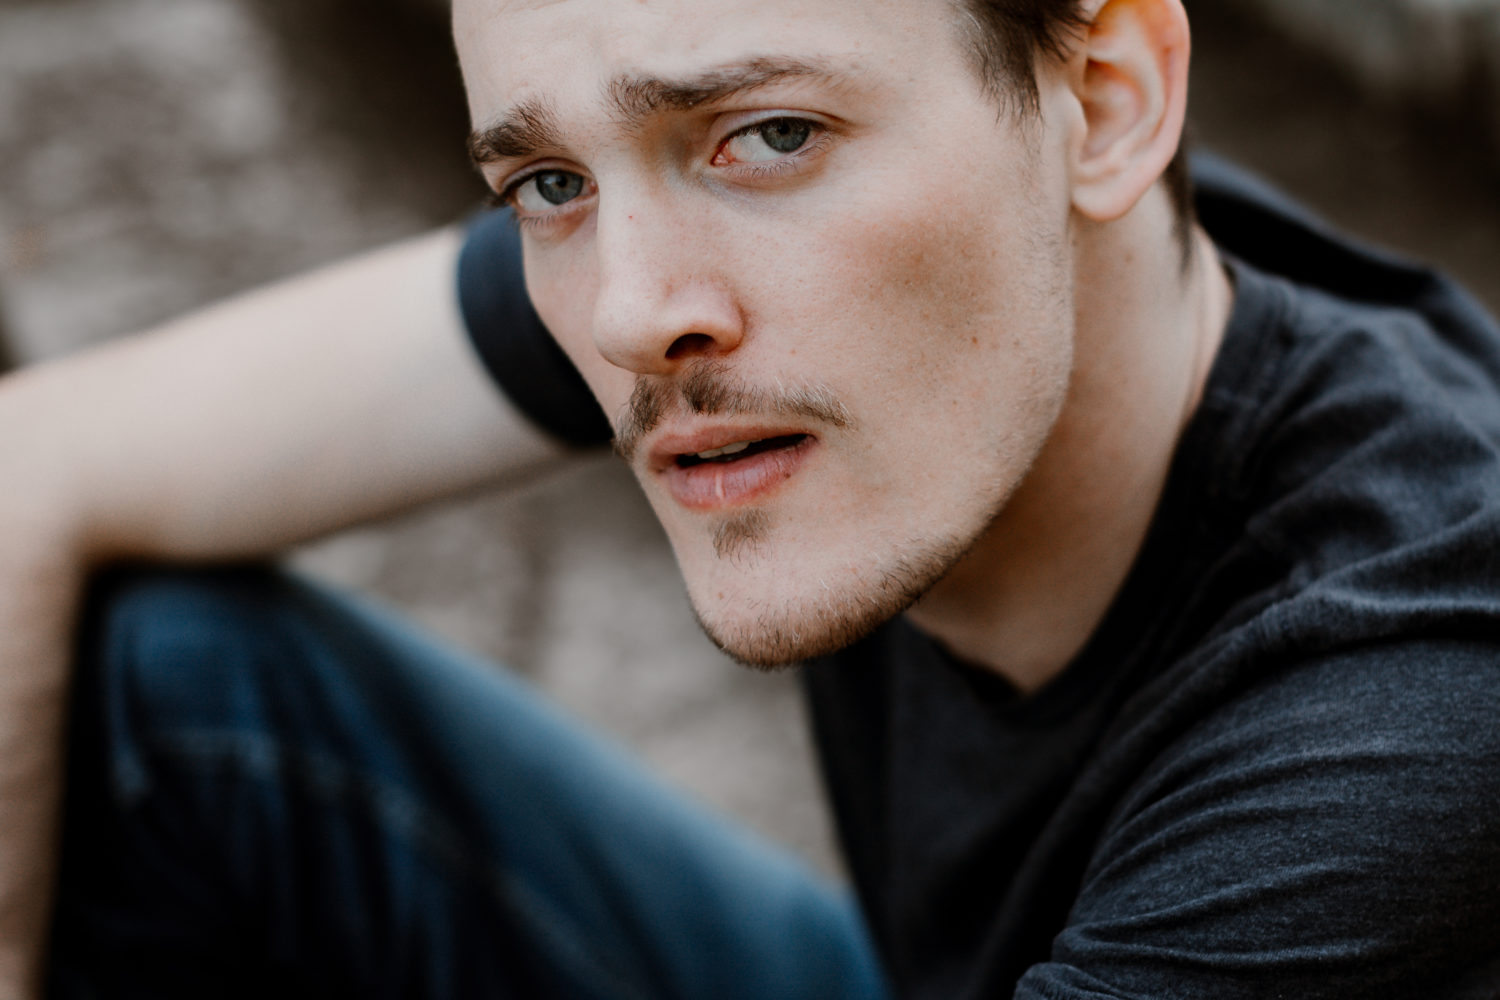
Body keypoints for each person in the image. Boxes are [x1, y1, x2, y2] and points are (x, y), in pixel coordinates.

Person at [4, 0, 1500, 995]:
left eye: (769, 136)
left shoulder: (1405, 733)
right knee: (160, 686)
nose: (626, 315)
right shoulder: (935, 255)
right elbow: (39, 460)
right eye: (547, 184)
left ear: (1107, 105)